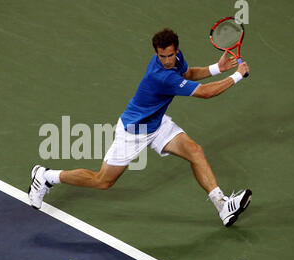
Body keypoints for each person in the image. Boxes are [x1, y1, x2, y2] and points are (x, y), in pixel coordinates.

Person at [28, 28, 252, 227]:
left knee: (195, 152)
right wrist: (237, 75)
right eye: (161, 56)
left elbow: (186, 73)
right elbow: (205, 93)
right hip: (133, 131)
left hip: (157, 123)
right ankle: (46, 176)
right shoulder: (161, 77)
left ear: (176, 50)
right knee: (103, 181)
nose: (166, 60)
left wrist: (217, 68)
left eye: (170, 55)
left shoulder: (175, 61)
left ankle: (223, 206)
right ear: (156, 53)